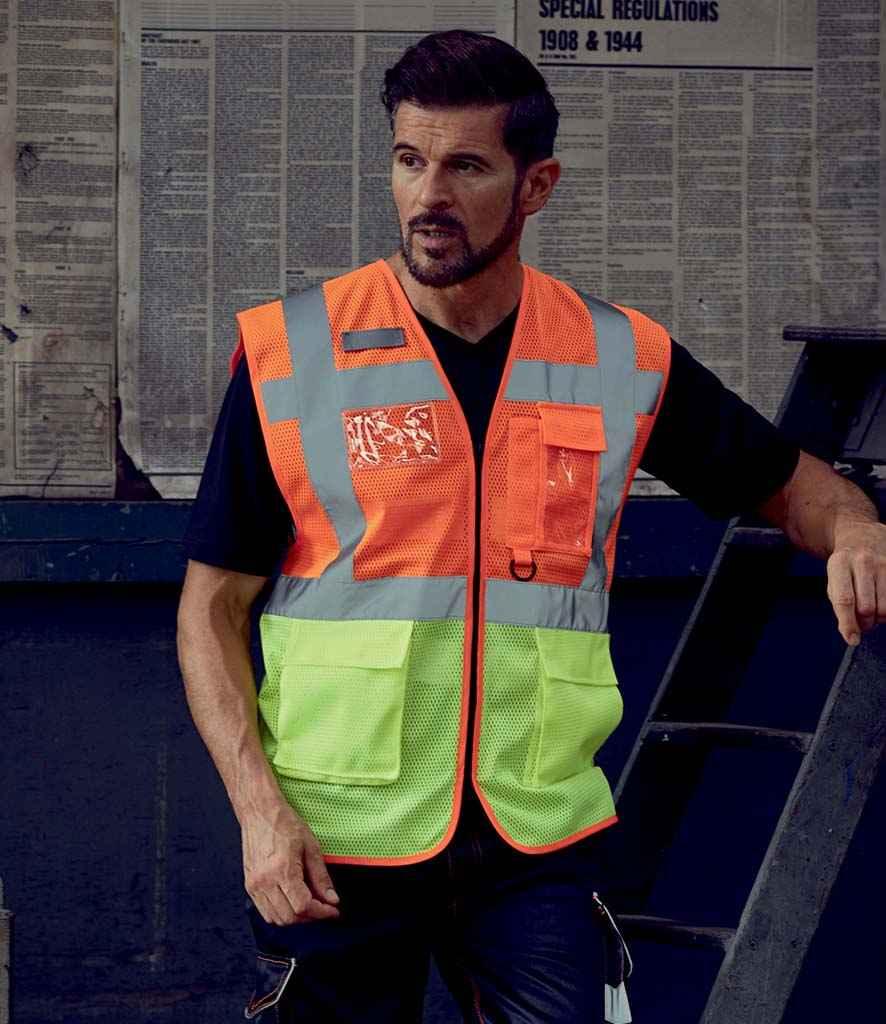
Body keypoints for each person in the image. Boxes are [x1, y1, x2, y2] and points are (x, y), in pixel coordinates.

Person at [176, 29, 886, 1023]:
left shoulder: (617, 357)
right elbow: (211, 608)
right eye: (409, 160)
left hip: (532, 841)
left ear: (536, 184)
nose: (428, 197)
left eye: (466, 167)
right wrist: (259, 811)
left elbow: (788, 484)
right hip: (337, 838)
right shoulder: (291, 354)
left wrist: (856, 527)